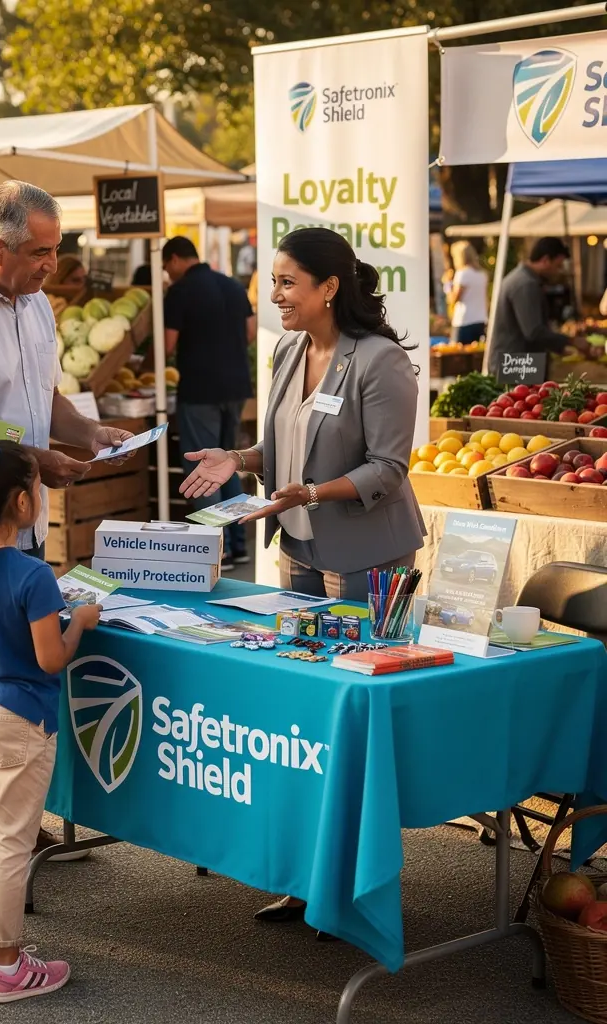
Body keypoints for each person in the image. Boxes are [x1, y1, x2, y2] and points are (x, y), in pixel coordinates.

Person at [181, 226, 425, 931]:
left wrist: (311, 494)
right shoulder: (287, 350)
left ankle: (359, 883)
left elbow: (388, 468)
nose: (274, 294)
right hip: (298, 549)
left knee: (354, 711)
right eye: (272, 280)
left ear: (329, 288)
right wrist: (237, 456)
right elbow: (281, 448)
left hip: (367, 558)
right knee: (304, 711)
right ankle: (309, 874)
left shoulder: (380, 363)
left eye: (287, 282)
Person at [0, 180, 132, 880]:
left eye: (56, 249)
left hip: (28, 514)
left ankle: (14, 820)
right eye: (41, 252)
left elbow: (41, 389)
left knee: (20, 672)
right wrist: (32, 454)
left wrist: (84, 429)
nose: (54, 264)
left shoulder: (40, 303)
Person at [0, 440, 100, 1002]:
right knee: (11, 840)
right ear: (23, 502)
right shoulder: (34, 575)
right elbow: (51, 658)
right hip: (19, 718)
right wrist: (77, 622)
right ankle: (8, 966)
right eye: (36, 486)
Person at [162, 234, 255, 571]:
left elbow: (167, 345)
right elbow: (250, 331)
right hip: (236, 386)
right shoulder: (232, 284)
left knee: (205, 468)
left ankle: (219, 550)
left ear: (173, 260)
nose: (167, 272)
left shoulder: (181, 291)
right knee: (229, 461)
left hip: (200, 389)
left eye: (166, 266)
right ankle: (238, 546)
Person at [488, 236, 590, 372]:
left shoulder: (521, 278)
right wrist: (572, 341)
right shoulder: (526, 284)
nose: (558, 271)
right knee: (524, 394)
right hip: (518, 365)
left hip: (515, 363)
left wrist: (559, 348)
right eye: (558, 266)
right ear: (545, 260)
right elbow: (534, 332)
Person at [447, 242, 488, 344]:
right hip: (480, 320)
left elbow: (453, 299)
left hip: (464, 321)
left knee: (458, 357)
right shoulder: (482, 274)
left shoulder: (462, 274)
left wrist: (447, 284)